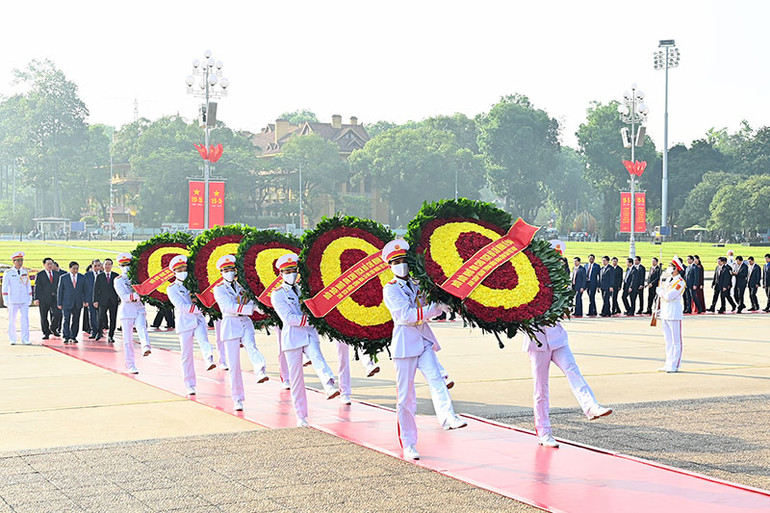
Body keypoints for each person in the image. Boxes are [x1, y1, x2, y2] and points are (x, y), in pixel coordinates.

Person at [381, 239, 466, 461]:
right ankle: (409, 443)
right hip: (404, 345)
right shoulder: (389, 290)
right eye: (396, 262)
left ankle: (448, 417)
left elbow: (430, 309)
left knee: (437, 378)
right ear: (390, 266)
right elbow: (406, 316)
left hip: (423, 340)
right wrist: (434, 308)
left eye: (404, 261)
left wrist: (443, 305)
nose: (402, 265)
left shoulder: (419, 284)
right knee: (406, 397)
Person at [272, 253, 342, 425]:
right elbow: (288, 318)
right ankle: (301, 416)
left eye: (293, 270)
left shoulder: (304, 289)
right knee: (296, 380)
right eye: (287, 271)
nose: (291, 274)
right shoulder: (278, 294)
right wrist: (313, 320)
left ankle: (329, 385)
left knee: (317, 357)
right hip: (293, 338)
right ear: (281, 274)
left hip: (309, 334)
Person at [521, 322, 613, 447]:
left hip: (557, 339)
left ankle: (591, 406)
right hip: (538, 342)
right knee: (541, 388)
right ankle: (544, 433)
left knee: (573, 371)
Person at [212, 254, 269, 411]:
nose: (229, 272)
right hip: (230, 324)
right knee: (234, 365)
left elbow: (249, 301)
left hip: (244, 322)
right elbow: (228, 307)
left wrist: (259, 307)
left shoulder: (242, 287)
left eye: (231, 269)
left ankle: (260, 370)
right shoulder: (219, 289)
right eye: (226, 270)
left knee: (251, 346)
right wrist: (252, 309)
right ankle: (237, 398)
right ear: (221, 272)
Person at [166, 255, 215, 395]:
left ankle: (208, 359)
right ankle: (190, 384)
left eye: (184, 268)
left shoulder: (194, 283)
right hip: (185, 322)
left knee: (203, 339)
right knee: (186, 355)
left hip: (198, 319)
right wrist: (199, 308)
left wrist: (204, 307)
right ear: (174, 271)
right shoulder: (172, 288)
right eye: (179, 269)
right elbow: (181, 306)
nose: (183, 271)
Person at [114, 253, 152, 374]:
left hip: (139, 308)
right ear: (120, 266)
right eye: (123, 265)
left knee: (142, 327)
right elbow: (124, 297)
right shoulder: (118, 280)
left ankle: (146, 346)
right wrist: (137, 295)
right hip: (127, 311)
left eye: (128, 264)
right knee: (127, 340)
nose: (126, 267)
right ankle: (130, 365)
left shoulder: (138, 277)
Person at [656, 256, 686, 372]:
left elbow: (669, 296)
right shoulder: (669, 280)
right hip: (665, 312)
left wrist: (661, 292)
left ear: (676, 269)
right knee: (668, 341)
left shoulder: (680, 282)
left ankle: (675, 365)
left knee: (676, 341)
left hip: (674, 312)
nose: (669, 269)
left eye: (671, 267)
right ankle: (668, 363)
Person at [3, 251, 33, 345]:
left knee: (25, 319)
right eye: (18, 260)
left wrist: (30, 297)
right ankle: (12, 338)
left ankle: (25, 338)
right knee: (12, 319)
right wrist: (6, 300)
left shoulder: (25, 271)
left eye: (21, 260)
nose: (20, 262)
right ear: (13, 261)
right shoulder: (8, 273)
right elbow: (5, 287)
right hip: (13, 299)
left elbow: (28, 285)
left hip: (23, 298)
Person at [57, 261, 87, 345]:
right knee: (66, 319)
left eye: (77, 268)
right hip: (66, 302)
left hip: (78, 302)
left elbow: (85, 290)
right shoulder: (63, 277)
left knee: (76, 320)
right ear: (70, 268)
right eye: (74, 268)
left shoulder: (82, 277)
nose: (75, 270)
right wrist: (59, 302)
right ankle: (66, 336)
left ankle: (73, 336)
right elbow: (60, 291)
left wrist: (85, 300)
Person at [93, 258, 120, 343]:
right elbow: (95, 289)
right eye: (106, 264)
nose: (107, 266)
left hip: (113, 301)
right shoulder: (99, 276)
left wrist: (119, 299)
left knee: (113, 318)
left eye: (109, 264)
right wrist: (95, 300)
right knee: (101, 318)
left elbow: (119, 289)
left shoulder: (116, 276)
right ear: (103, 266)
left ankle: (111, 335)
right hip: (102, 300)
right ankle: (99, 333)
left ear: (112, 266)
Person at [34, 258, 59, 340]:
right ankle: (46, 332)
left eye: (51, 264)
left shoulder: (56, 274)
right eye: (48, 264)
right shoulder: (40, 274)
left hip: (54, 298)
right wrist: (36, 298)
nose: (50, 266)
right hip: (44, 299)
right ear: (44, 265)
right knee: (44, 316)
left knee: (57, 314)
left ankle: (53, 328)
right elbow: (37, 287)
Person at [83, 259, 102, 339]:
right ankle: (93, 331)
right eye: (95, 266)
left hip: (101, 299)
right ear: (92, 266)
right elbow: (84, 288)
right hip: (90, 299)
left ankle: (100, 332)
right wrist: (85, 299)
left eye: (98, 265)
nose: (97, 267)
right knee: (92, 316)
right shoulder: (87, 275)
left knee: (101, 316)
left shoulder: (103, 274)